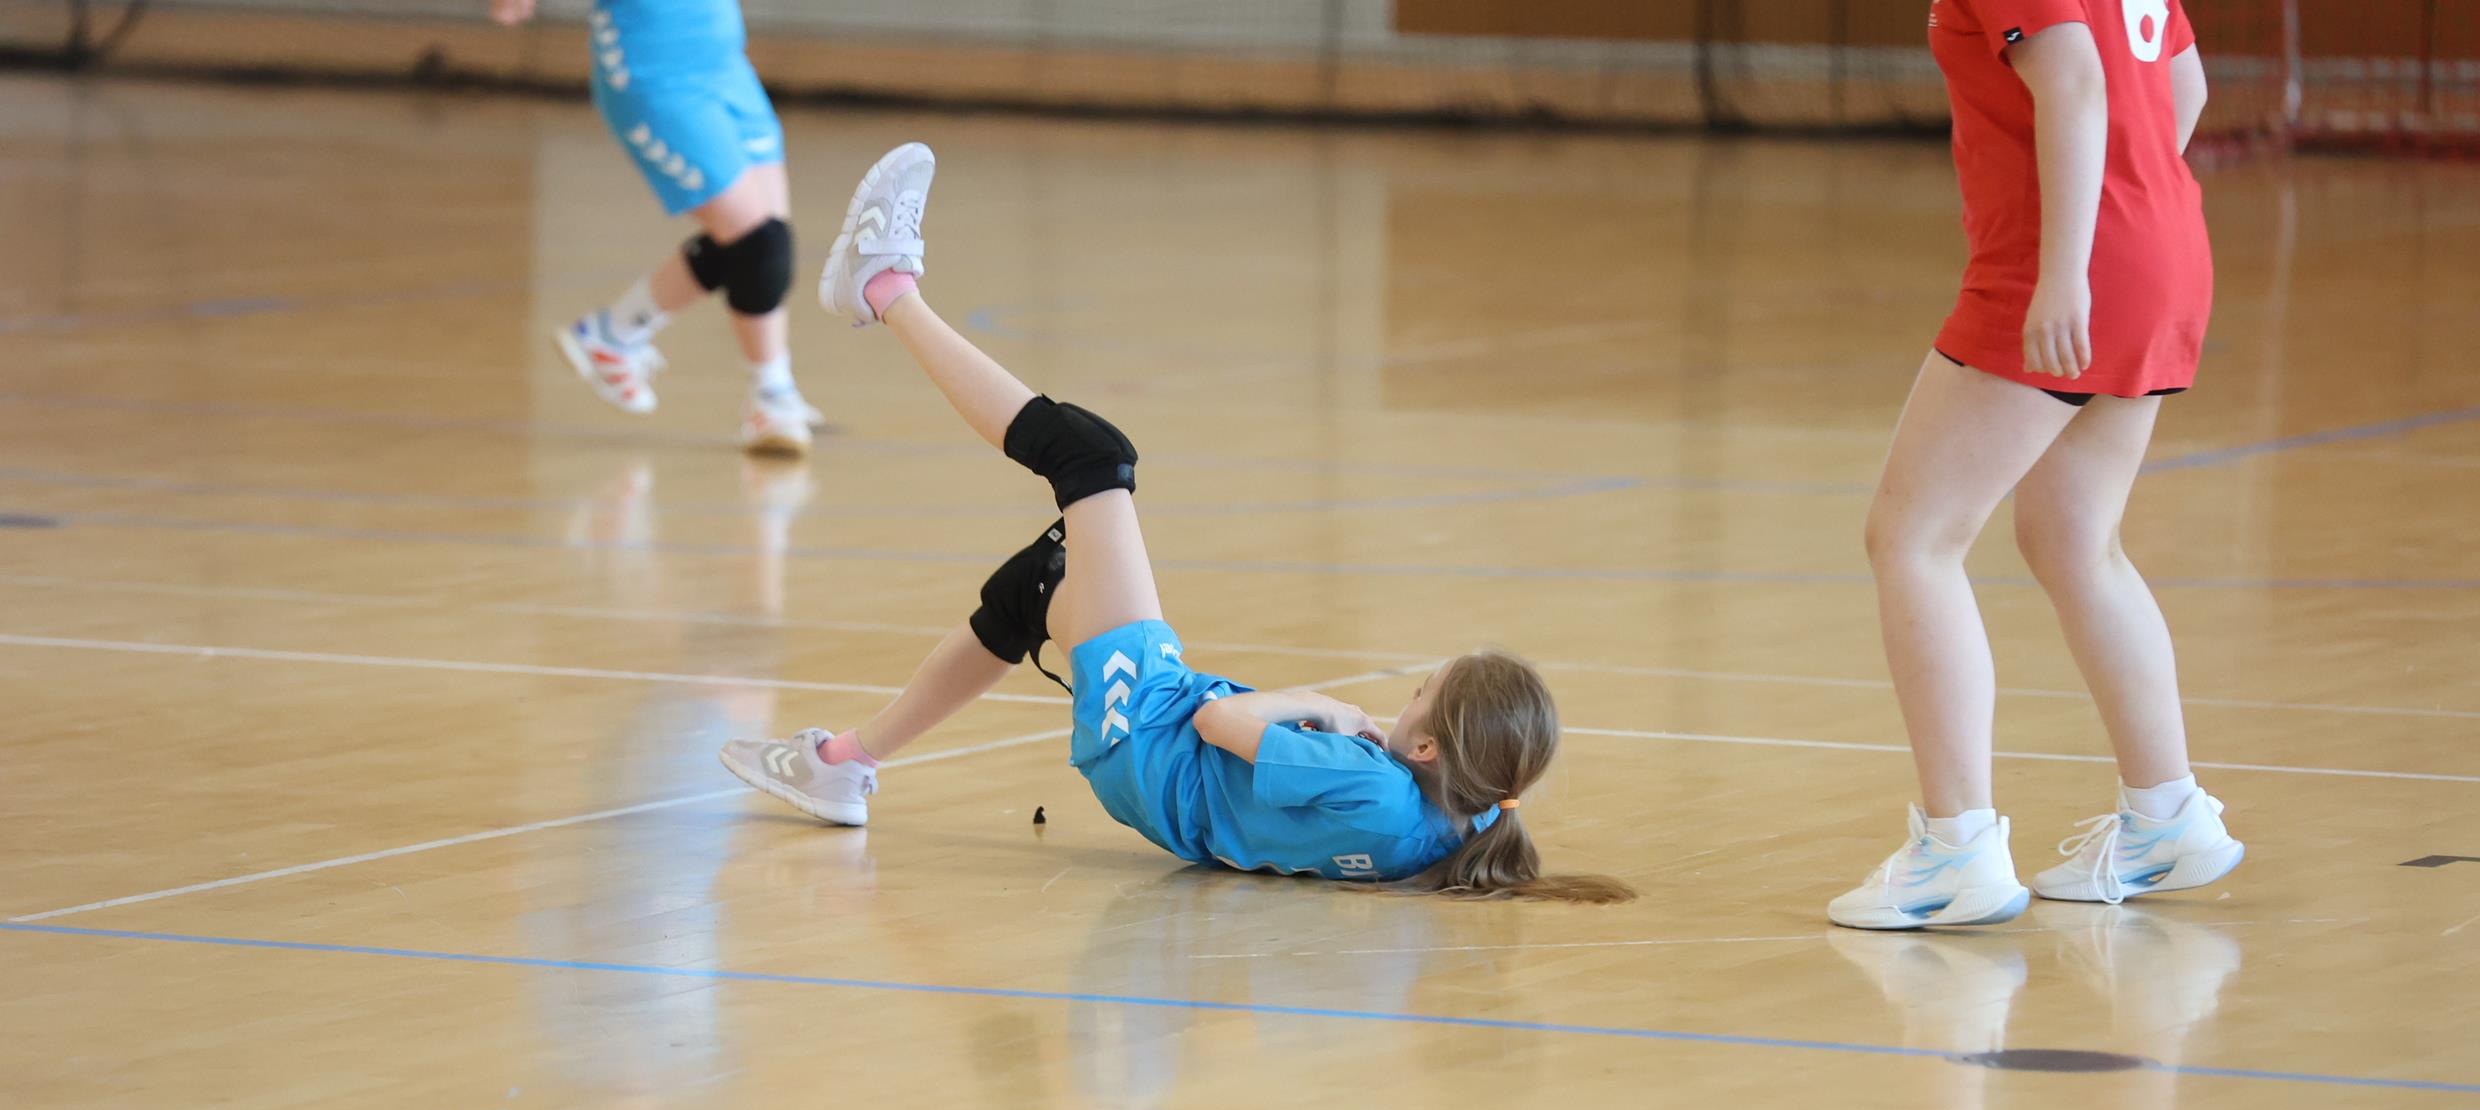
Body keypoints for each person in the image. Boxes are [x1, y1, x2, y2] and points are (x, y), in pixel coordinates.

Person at [718, 145, 1632, 905]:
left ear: (1430, 747)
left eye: (1423, 690)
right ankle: (842, 763)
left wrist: (1323, 707)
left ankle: (885, 285)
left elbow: (1221, 718)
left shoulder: (1380, 786)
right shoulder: (1455, 820)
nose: (1407, 696)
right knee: (1040, 587)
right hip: (1152, 781)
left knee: (1093, 460)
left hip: (1153, 737)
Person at [1828, 0, 2244, 930]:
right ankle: (2168, 816)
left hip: (2070, 266)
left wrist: (2067, 269)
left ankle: (1956, 850)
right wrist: (2131, 206)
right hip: (2163, 249)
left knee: (1913, 537)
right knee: (2073, 539)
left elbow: (2076, 79)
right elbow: (2184, 85)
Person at [489, 0, 822, 457]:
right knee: (757, 243)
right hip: (658, 77)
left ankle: (613, 336)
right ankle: (771, 396)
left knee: (764, 241)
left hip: (722, 62)